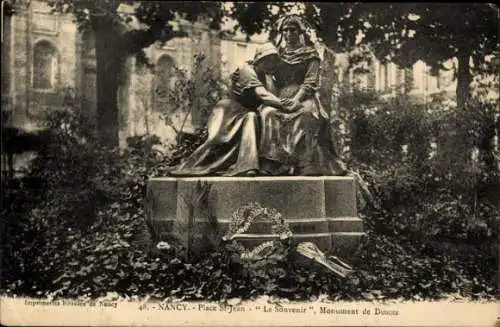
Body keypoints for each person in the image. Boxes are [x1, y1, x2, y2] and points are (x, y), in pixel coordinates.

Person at [168, 43, 297, 176]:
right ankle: (247, 166)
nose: (272, 64)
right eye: (268, 60)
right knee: (249, 119)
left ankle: (268, 164)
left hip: (248, 113)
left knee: (261, 117)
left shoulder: (268, 78)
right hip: (229, 112)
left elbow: (271, 99)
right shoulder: (246, 70)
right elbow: (263, 95)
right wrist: (285, 105)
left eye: (274, 61)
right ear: (259, 59)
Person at [258, 14, 347, 176]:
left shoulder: (311, 54)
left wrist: (296, 100)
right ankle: (273, 162)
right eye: (285, 30)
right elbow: (269, 77)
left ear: (300, 32)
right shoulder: (277, 54)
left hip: (304, 96)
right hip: (280, 96)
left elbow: (310, 82)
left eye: (292, 30)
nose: (288, 34)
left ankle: (307, 164)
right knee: (267, 113)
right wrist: (274, 96)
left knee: (307, 115)